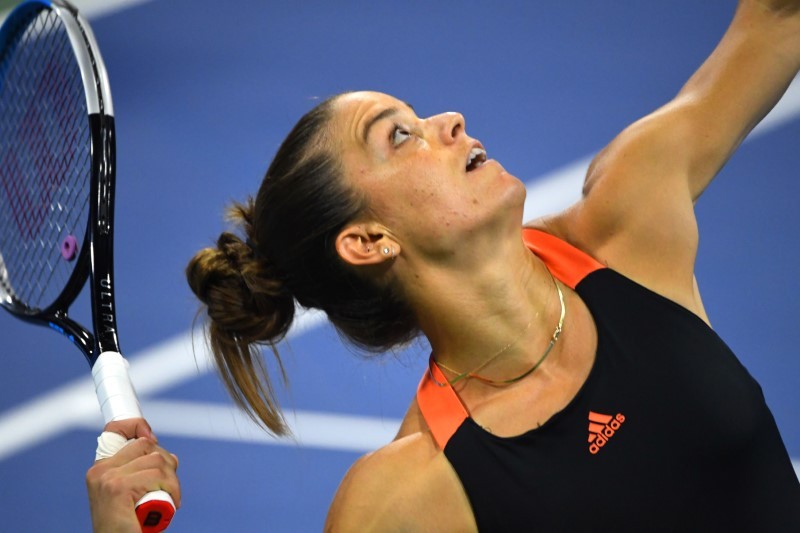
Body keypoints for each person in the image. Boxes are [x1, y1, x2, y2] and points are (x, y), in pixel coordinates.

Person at [86, 0, 800, 530]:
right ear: (368, 240)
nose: (450, 120)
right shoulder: (404, 498)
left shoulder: (627, 221)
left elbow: (777, 18)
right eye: (400, 137)